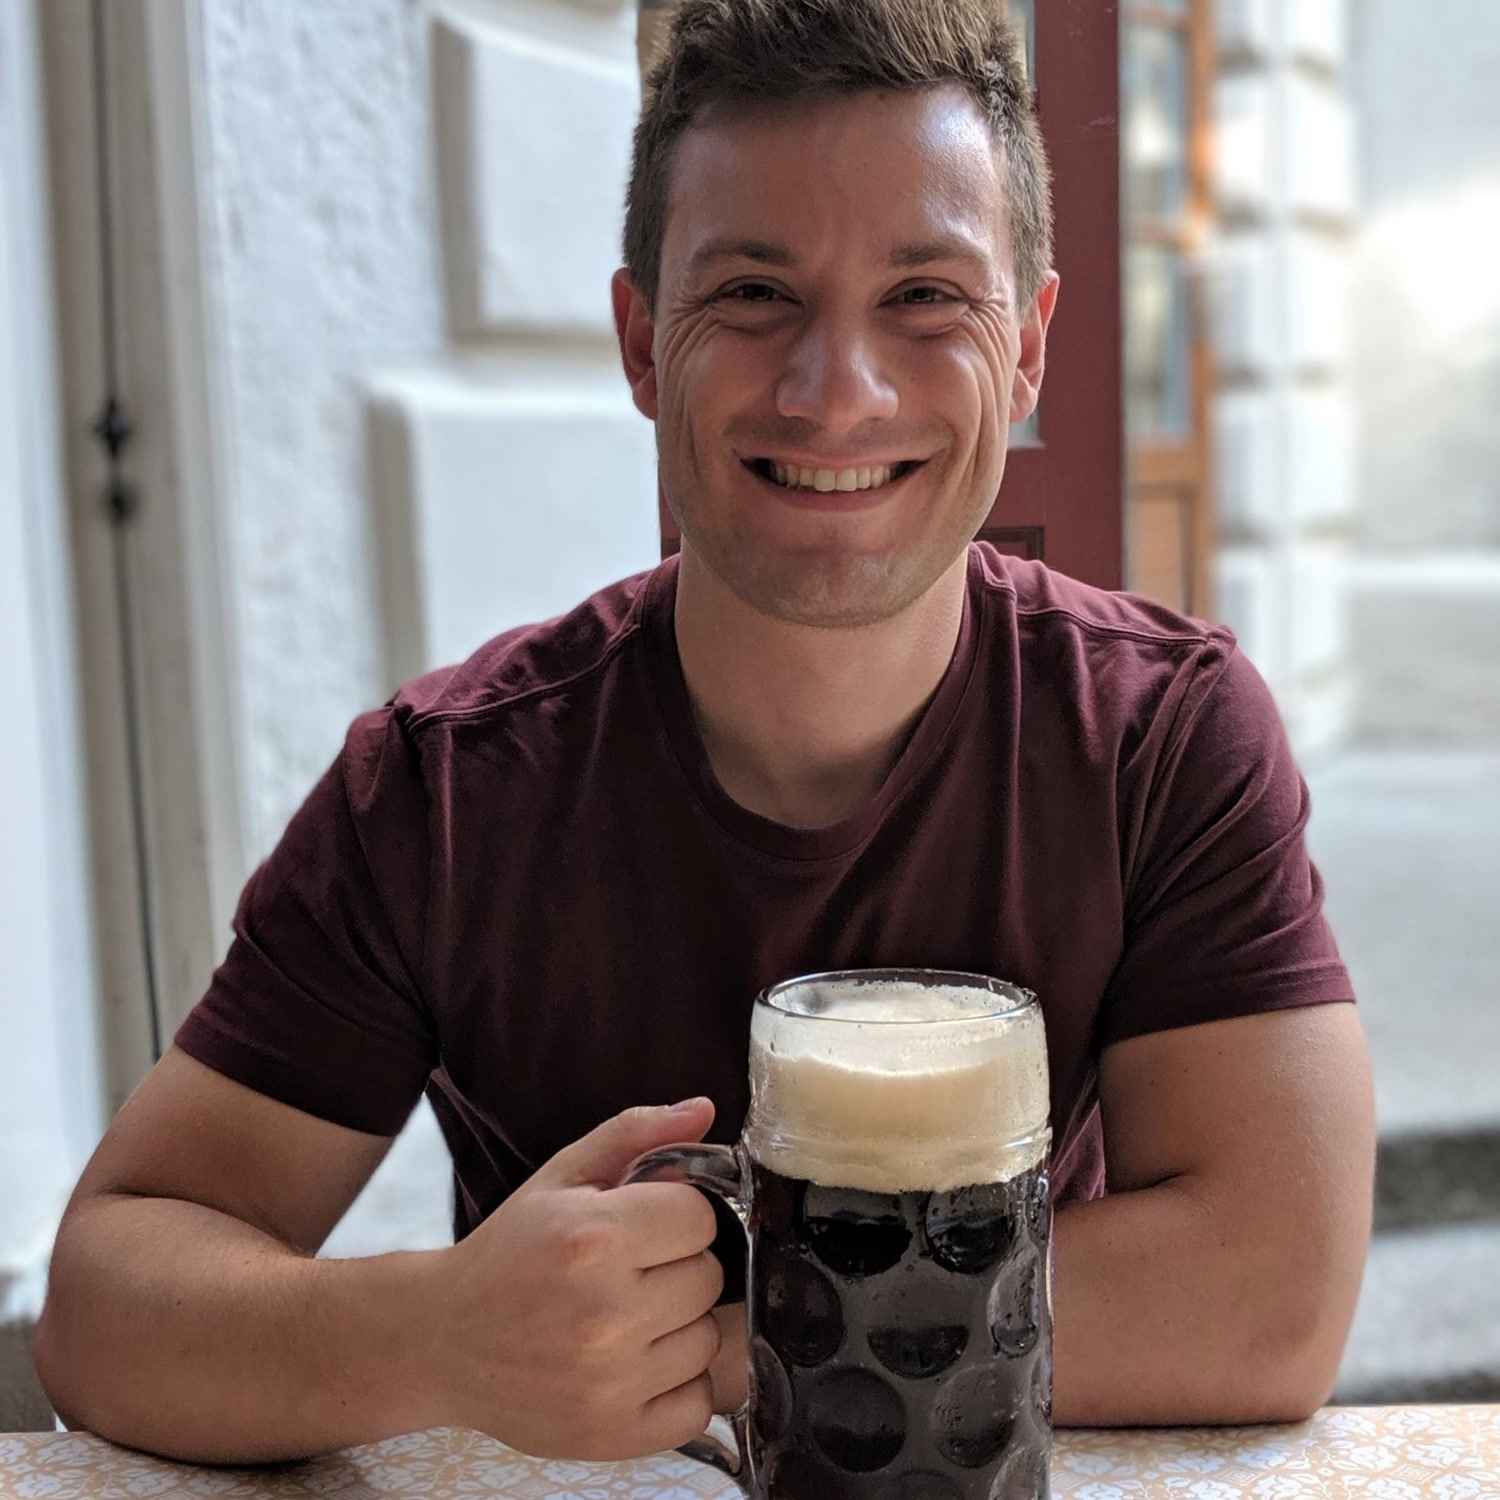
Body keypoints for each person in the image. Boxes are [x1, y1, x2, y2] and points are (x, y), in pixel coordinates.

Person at [33, 0, 1375, 1467]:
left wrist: (719, 1346)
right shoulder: (444, 791)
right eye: (751, 293)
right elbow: (107, 1304)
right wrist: (441, 1335)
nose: (837, 390)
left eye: (926, 295)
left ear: (1030, 347)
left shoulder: (1161, 736)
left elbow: (1269, 1296)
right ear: (639, 342)